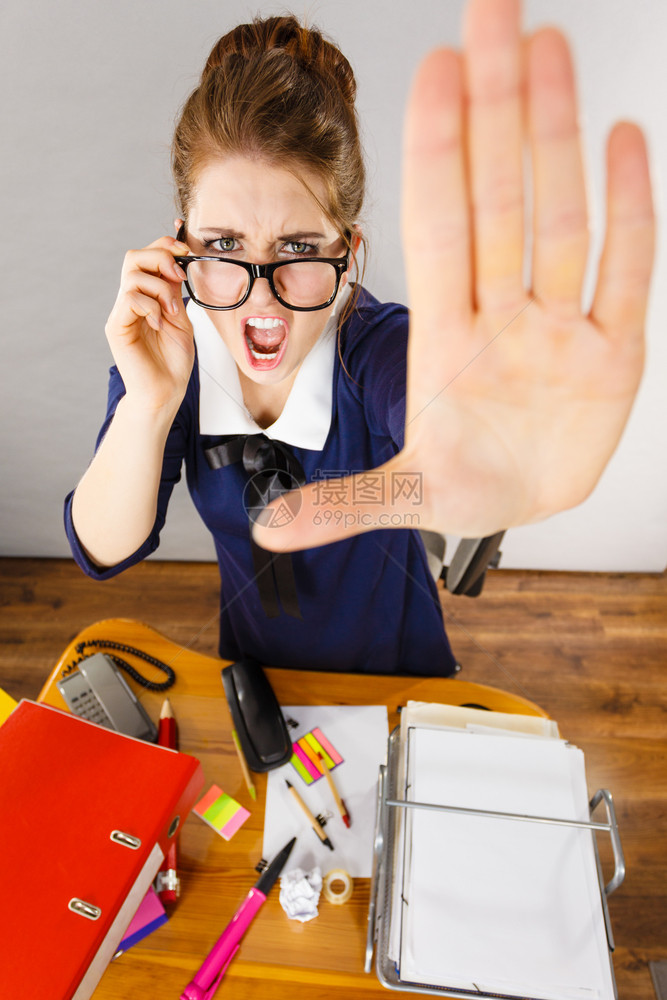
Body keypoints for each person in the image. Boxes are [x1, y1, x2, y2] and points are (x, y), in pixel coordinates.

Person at [65, 0, 654, 676]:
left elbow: (435, 425)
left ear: (347, 253)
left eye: (298, 247)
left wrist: (501, 459)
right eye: (224, 245)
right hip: (257, 680)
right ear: (178, 248)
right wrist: (147, 403)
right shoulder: (170, 355)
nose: (261, 294)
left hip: (398, 683)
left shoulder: (379, 350)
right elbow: (103, 549)